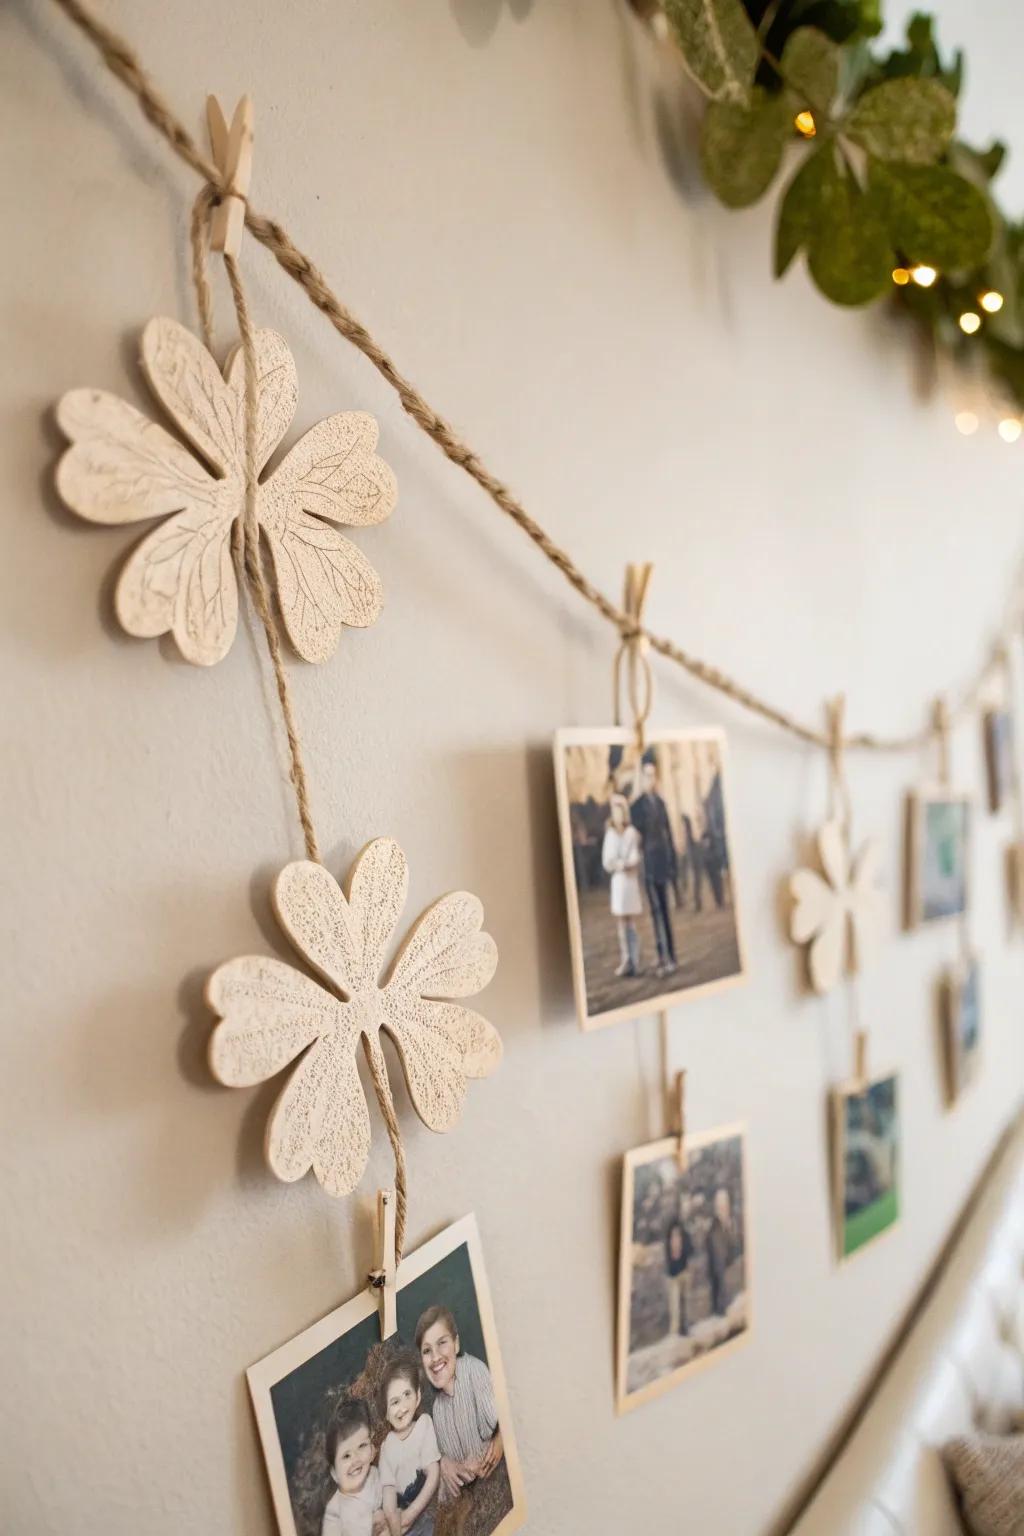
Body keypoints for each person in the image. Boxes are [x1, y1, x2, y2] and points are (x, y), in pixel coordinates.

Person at [416, 1305, 503, 1505]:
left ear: (456, 1344)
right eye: (427, 1351)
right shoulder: (438, 1409)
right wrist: (445, 1463)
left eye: (442, 1343)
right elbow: (453, 1470)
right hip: (472, 1498)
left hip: (497, 1485)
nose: (435, 1357)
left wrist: (501, 1438)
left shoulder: (474, 1371)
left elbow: (502, 1427)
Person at [378, 1354, 440, 1536]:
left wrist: (411, 1514)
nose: (403, 1406)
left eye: (407, 1395)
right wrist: (393, 1518)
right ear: (386, 1413)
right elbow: (388, 1489)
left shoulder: (424, 1425)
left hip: (422, 1510)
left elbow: (433, 1473)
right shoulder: (387, 1446)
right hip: (398, 1513)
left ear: (418, 1396)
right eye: (395, 1402)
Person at [631, 758, 678, 976]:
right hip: (648, 864)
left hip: (662, 861)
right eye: (646, 775)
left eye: (653, 775)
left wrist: (672, 864)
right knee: (656, 911)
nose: (650, 779)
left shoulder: (661, 803)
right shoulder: (637, 806)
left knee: (666, 911)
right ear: (641, 778)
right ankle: (661, 958)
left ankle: (672, 956)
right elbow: (636, 835)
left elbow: (668, 836)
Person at [321, 1399, 389, 1536]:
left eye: (362, 1446)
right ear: (334, 1472)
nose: (356, 1459)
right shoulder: (334, 1514)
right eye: (346, 1456)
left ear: (372, 1450)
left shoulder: (374, 1475)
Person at [602, 794, 643, 977]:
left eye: (621, 812)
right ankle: (625, 959)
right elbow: (607, 860)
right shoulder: (610, 834)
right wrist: (620, 864)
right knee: (621, 922)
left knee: (630, 922)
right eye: (615, 813)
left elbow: (635, 857)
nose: (618, 816)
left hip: (629, 882)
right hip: (618, 883)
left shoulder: (631, 833)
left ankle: (634, 960)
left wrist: (624, 864)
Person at [707, 1188, 737, 1318]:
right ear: (716, 1207)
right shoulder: (714, 1231)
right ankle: (719, 1309)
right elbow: (719, 1268)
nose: (724, 1208)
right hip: (722, 1301)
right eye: (720, 1205)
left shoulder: (730, 1225)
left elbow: (734, 1250)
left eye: (725, 1204)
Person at [664, 1216, 692, 1337]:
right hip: (673, 1276)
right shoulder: (668, 1243)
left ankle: (684, 1328)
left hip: (684, 1272)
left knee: (685, 1302)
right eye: (673, 1234)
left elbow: (690, 1251)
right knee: (674, 1305)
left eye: (677, 1233)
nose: (675, 1236)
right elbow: (669, 1260)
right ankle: (674, 1331)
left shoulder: (685, 1239)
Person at [680, 813, 705, 913]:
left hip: (694, 857)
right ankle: (697, 901)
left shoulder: (688, 833)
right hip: (694, 857)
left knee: (696, 880)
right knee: (696, 880)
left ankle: (697, 901)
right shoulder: (688, 834)